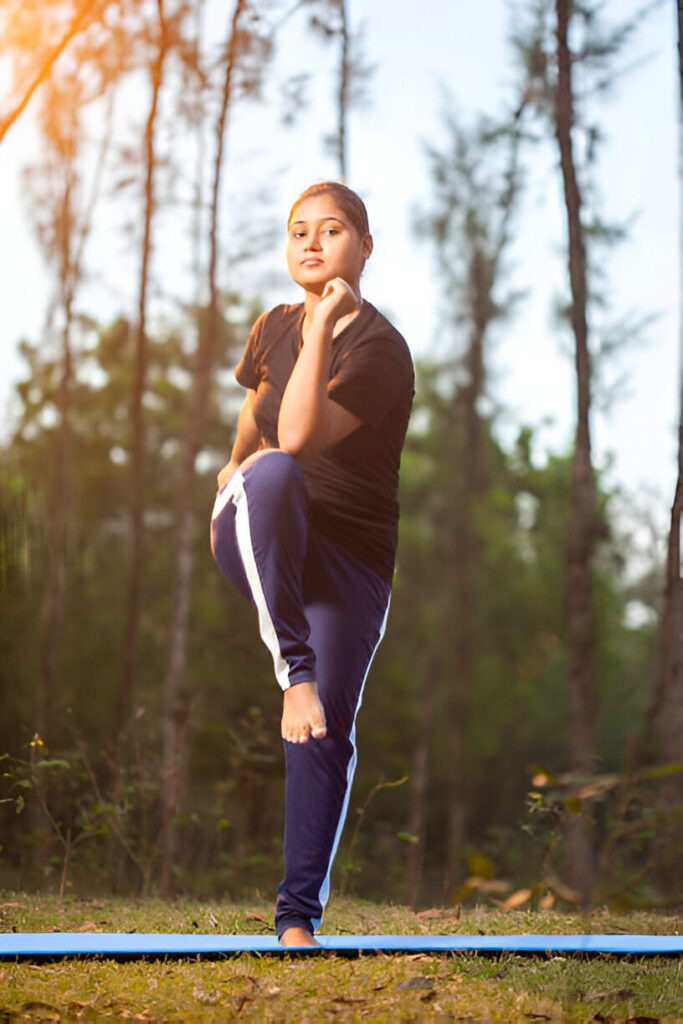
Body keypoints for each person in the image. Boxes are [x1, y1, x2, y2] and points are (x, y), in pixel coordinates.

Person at [210, 181, 414, 946]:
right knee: (267, 475)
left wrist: (326, 322)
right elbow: (261, 425)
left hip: (352, 563)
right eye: (298, 230)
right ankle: (291, 671)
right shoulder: (271, 326)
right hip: (263, 531)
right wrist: (230, 466)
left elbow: (297, 433)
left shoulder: (380, 350)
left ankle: (296, 917)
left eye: (331, 231)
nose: (310, 243)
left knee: (325, 726)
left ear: (363, 246)